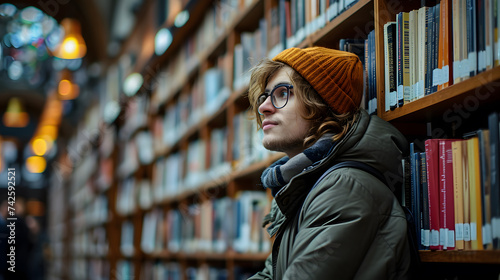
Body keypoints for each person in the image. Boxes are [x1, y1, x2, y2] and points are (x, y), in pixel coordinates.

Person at [246, 47, 411, 279]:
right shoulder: (304, 183)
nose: (263, 107)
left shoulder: (345, 187)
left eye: (282, 93)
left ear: (321, 105)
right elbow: (270, 274)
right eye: (265, 96)